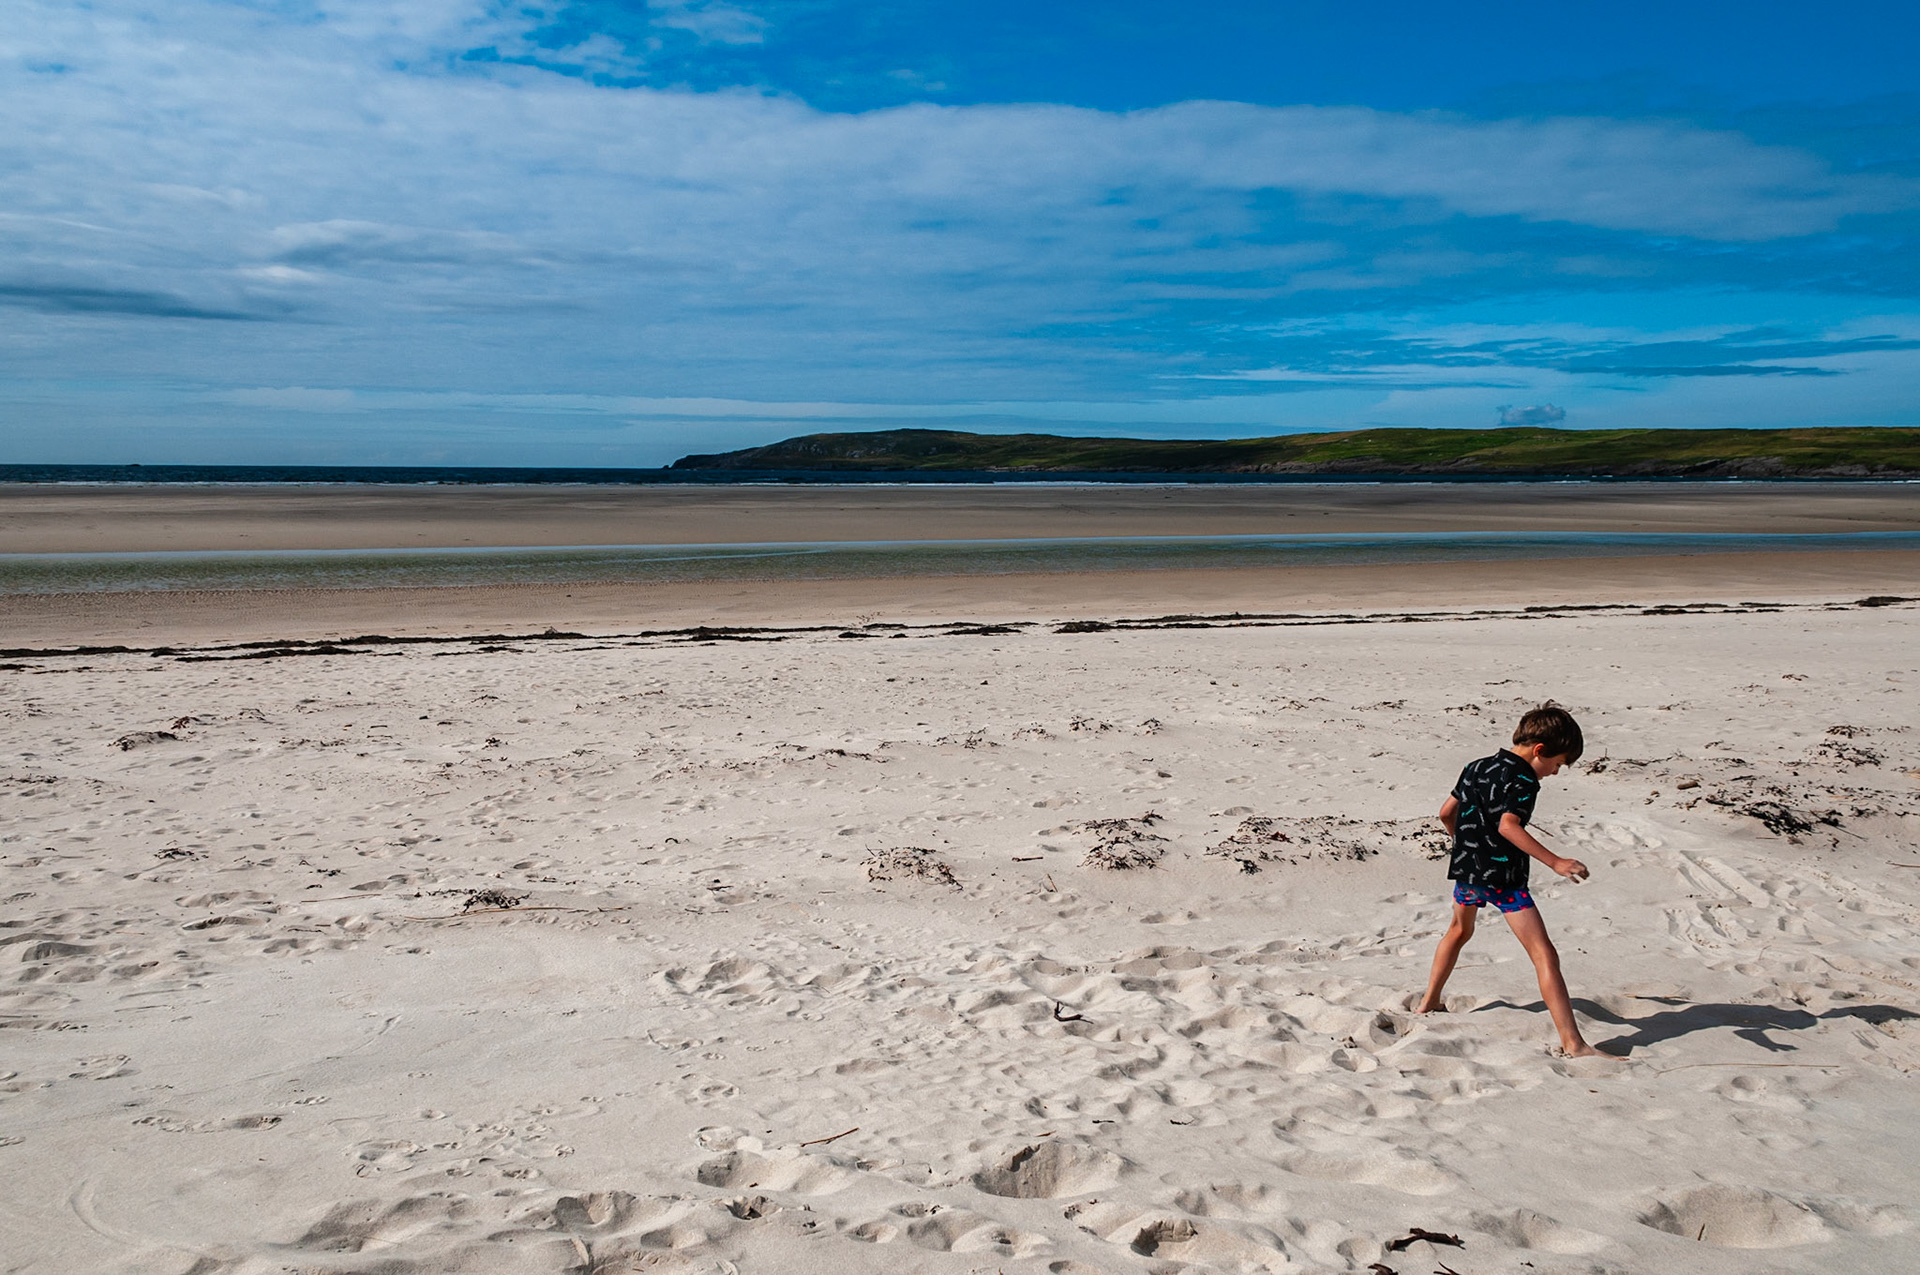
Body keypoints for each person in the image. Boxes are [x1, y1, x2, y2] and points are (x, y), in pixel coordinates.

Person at [1415, 703, 1605, 1058]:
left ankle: (1428, 1002)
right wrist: (1556, 861)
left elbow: (1445, 812)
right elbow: (1508, 826)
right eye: (1558, 764)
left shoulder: (1476, 766)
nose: (1555, 772)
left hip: (1468, 871)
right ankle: (1574, 1044)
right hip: (1505, 879)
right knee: (1543, 954)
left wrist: (1466, 843)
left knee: (1458, 932)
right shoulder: (1523, 779)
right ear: (1539, 751)